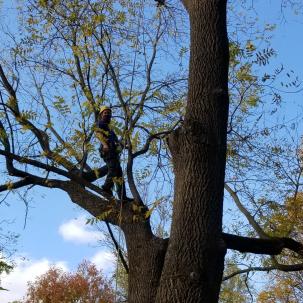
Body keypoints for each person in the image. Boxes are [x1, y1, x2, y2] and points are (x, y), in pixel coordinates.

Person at [96, 106, 132, 202]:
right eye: (105, 113)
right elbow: (98, 134)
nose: (107, 114)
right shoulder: (101, 123)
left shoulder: (110, 129)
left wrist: (124, 145)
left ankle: (122, 196)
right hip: (107, 150)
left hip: (113, 151)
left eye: (109, 113)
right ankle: (106, 187)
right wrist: (104, 145)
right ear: (101, 115)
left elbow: (116, 142)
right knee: (113, 168)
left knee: (119, 174)